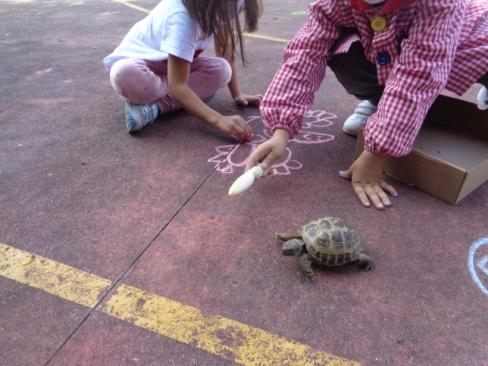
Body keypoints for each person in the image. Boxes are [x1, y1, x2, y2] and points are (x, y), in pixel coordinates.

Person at [245, 0, 488, 209]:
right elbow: (305, 54)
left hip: (467, 36)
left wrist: (376, 153)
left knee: (468, 58)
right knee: (344, 50)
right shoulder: (337, 4)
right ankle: (379, 103)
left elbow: (419, 75)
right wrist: (281, 130)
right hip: (385, 43)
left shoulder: (440, 6)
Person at [103, 0, 263, 140]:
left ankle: (153, 109)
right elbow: (177, 86)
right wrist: (218, 120)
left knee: (222, 70)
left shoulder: (222, 5)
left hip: (175, 71)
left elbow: (224, 48)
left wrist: (237, 94)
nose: (236, 12)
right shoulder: (182, 17)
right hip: (143, 66)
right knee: (124, 73)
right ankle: (184, 99)